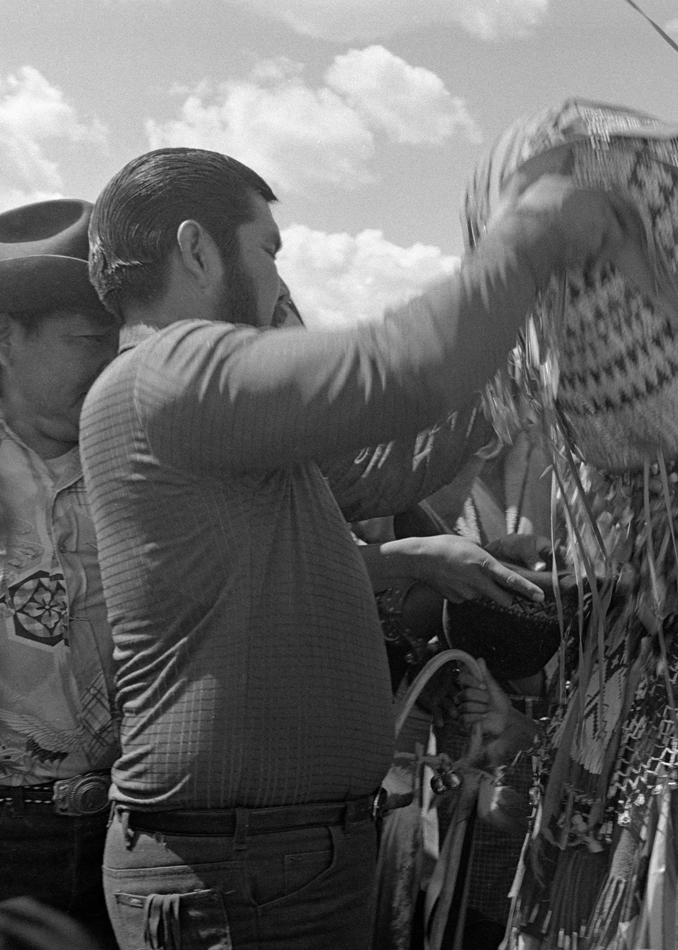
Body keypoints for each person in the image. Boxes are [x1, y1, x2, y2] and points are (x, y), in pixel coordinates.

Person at [78, 147, 635, 950]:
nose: (277, 282)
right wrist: (530, 238)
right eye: (267, 248)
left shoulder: (191, 398)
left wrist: (415, 552)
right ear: (196, 249)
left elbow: (380, 468)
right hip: (239, 870)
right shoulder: (171, 367)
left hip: (273, 859)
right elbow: (398, 369)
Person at [0, 200, 120, 948]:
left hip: (130, 829)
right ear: (8, 339)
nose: (110, 365)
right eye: (87, 341)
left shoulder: (139, 466)